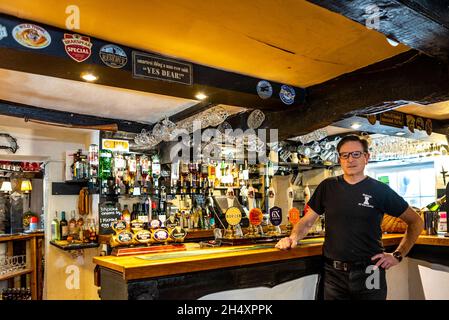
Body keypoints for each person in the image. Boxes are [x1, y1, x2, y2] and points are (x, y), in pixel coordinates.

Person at [275, 134, 423, 300]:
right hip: (334, 274)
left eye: (356, 154)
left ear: (366, 157)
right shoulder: (328, 187)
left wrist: (397, 255)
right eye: (345, 155)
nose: (350, 159)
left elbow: (416, 221)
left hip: (370, 271)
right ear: (340, 159)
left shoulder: (380, 190)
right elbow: (307, 221)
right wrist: (293, 238)